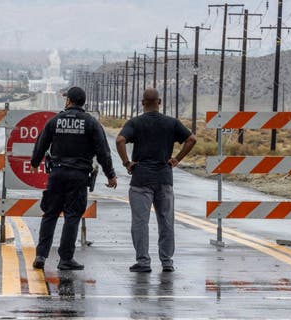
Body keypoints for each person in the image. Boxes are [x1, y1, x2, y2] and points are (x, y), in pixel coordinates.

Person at [30, 86, 117, 270]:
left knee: (50, 213)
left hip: (57, 173)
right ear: (82, 102)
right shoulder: (91, 123)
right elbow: (103, 152)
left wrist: (35, 162)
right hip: (78, 176)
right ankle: (65, 259)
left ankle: (41, 255)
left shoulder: (55, 121)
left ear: (69, 101)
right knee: (72, 216)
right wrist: (110, 175)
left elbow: (41, 144)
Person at [115, 88, 196, 273]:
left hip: (141, 178)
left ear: (143, 103)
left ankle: (143, 262)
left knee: (140, 222)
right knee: (166, 221)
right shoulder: (171, 123)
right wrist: (177, 159)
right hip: (164, 178)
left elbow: (120, 140)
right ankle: (167, 262)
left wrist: (127, 163)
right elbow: (191, 139)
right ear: (159, 102)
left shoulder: (135, 122)